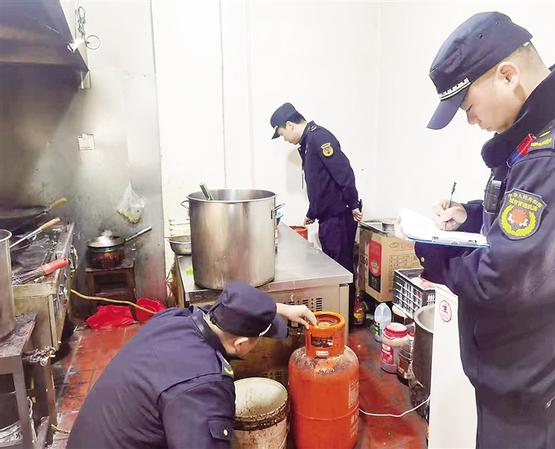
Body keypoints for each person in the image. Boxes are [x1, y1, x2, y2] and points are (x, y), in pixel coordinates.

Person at [406, 11, 555, 449]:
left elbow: (504, 278)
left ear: (508, 75)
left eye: (468, 106)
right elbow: (543, 230)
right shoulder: (553, 127)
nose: (470, 120)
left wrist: (435, 254)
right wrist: (472, 216)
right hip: (533, 379)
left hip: (540, 395)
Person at [67, 282, 316, 449]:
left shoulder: (175, 318)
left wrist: (278, 309)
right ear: (241, 344)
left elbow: (219, 309)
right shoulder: (203, 387)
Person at [270, 103, 363, 278]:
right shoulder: (308, 142)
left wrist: (353, 203)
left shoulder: (319, 137)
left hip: (338, 219)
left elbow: (343, 172)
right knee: (333, 271)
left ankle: (346, 298)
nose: (285, 139)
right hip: (328, 219)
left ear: (290, 125)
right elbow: (320, 185)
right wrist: (312, 212)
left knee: (340, 273)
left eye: (282, 134)